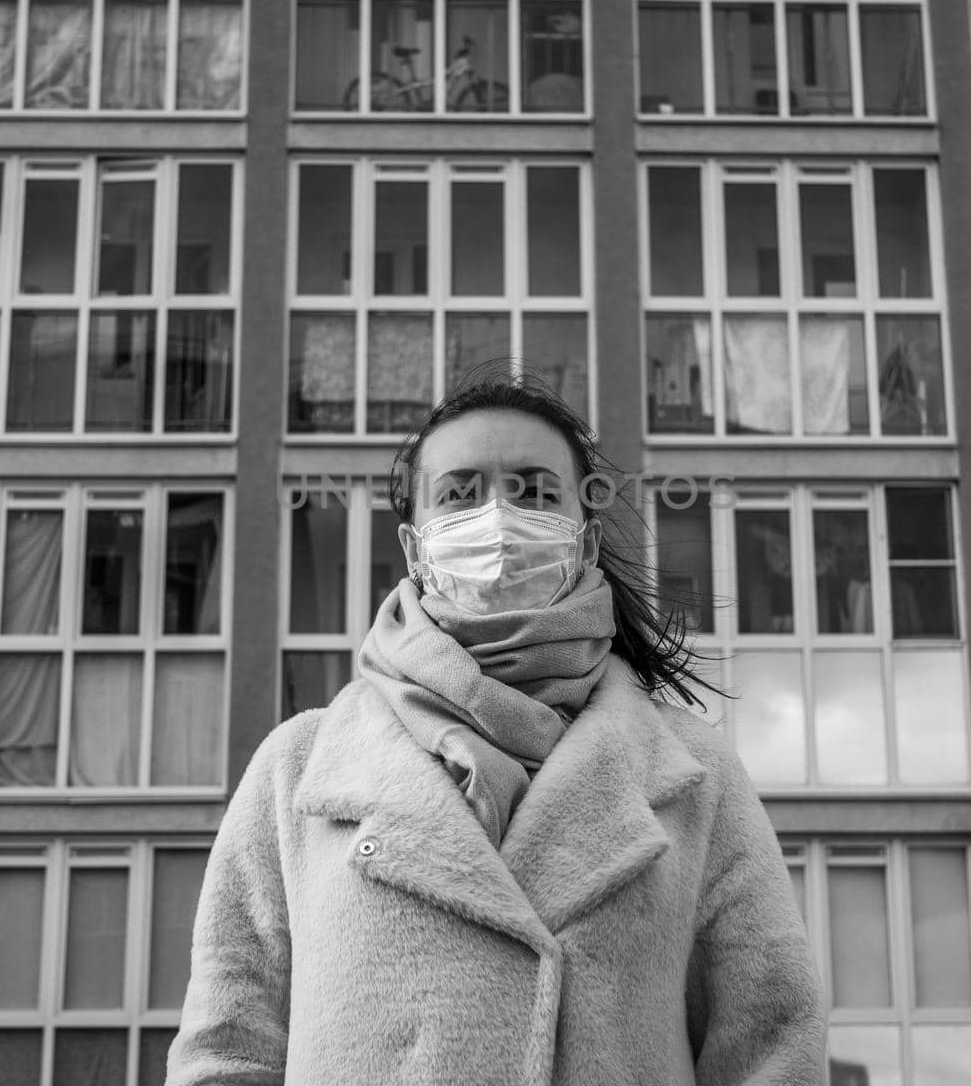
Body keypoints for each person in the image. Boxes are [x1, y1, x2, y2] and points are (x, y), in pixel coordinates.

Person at [166, 372, 826, 1085]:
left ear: (587, 538)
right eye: (460, 492)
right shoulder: (295, 770)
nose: (498, 520)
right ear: (415, 547)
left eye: (536, 492)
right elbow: (226, 1049)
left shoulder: (693, 773)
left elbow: (772, 1041)